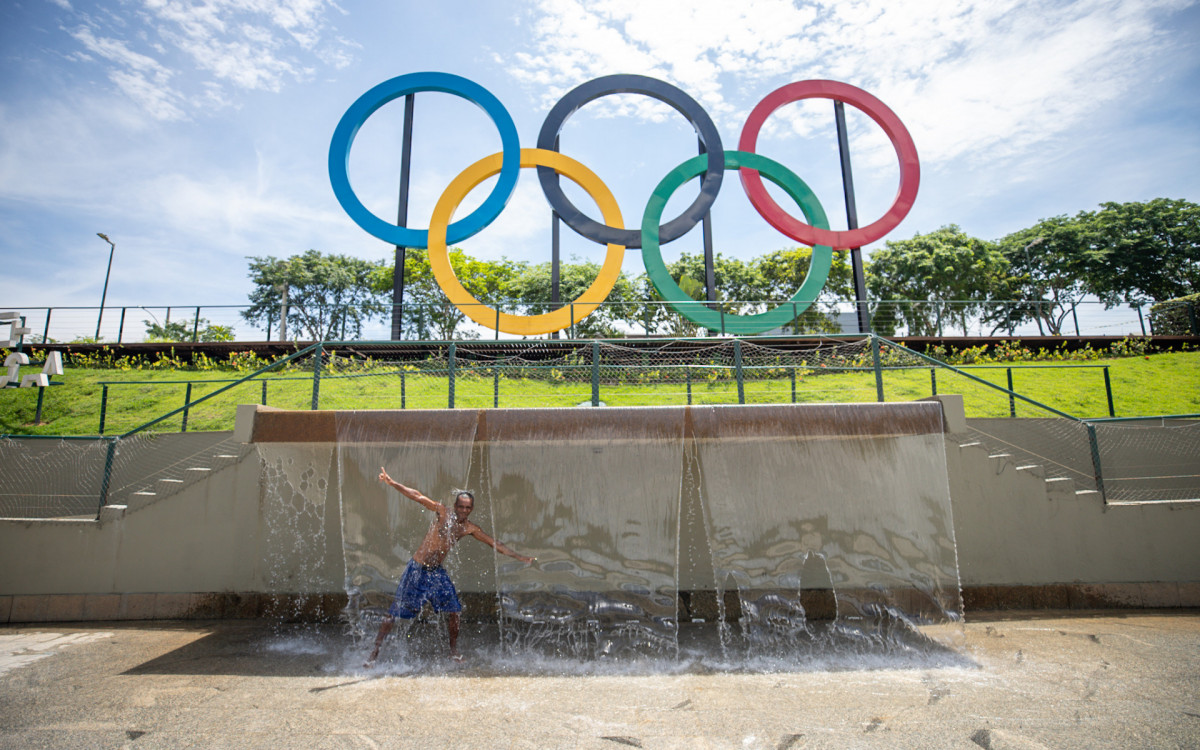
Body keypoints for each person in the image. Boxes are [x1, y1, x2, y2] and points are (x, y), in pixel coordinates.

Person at [366, 467, 534, 664]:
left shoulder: (469, 528)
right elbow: (417, 496)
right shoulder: (443, 512)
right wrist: (392, 482)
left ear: (471, 509)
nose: (463, 510)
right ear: (455, 505)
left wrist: (519, 557)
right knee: (394, 612)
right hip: (417, 570)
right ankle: (374, 651)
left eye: (467, 508)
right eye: (460, 506)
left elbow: (494, 543)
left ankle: (453, 650)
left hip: (436, 573)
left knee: (454, 611)